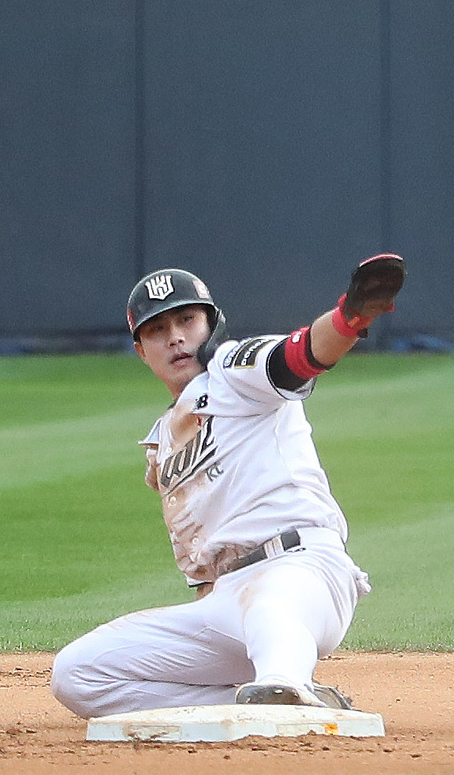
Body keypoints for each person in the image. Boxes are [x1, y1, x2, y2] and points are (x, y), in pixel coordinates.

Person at [51, 256, 404, 718]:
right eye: (157, 329)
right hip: (225, 601)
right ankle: (269, 699)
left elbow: (300, 355)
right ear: (141, 350)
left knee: (270, 607)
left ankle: (284, 681)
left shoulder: (235, 371)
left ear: (211, 324)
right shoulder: (164, 440)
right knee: (77, 674)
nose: (175, 336)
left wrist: (350, 317)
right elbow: (200, 565)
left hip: (303, 570)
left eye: (187, 319)